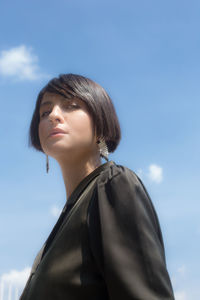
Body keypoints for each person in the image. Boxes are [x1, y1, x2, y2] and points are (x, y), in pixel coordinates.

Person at [20, 74, 175, 300]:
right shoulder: (65, 220)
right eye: (45, 112)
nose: (54, 116)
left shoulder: (113, 185)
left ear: (101, 121)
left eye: (71, 106)